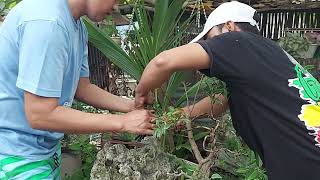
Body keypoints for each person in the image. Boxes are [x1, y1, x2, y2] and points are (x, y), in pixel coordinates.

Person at [135, 1, 320, 179]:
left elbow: (162, 62)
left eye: (210, 39)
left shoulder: (235, 42)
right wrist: (177, 116)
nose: (210, 45)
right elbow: (222, 99)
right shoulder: (270, 54)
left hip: (306, 163)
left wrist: (142, 93)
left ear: (229, 26)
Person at [0, 0, 155, 179]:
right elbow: (39, 114)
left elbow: (82, 87)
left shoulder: (76, 25)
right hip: (15, 155)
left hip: (41, 151)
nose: (115, 7)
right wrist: (122, 122)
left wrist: (131, 106)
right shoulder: (48, 22)